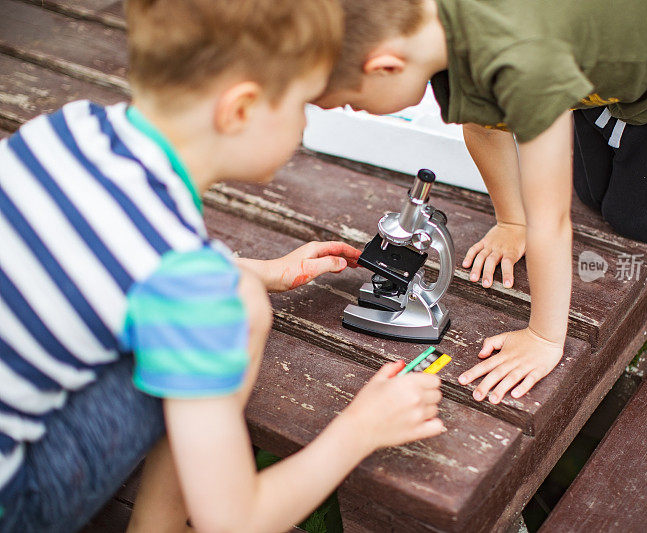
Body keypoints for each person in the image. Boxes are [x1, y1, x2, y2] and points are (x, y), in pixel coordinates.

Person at [0, 1, 443, 531]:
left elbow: (96, 257)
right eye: (302, 104)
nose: (304, 125)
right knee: (241, 309)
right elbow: (236, 521)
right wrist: (361, 428)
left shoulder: (68, 128)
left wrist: (260, 270)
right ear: (240, 110)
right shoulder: (191, 283)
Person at [314, 0, 647, 405]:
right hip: (622, 41)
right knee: (593, 190)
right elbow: (483, 122)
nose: (350, 111)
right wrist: (510, 220)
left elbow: (552, 222)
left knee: (643, 217)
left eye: (350, 102)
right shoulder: (438, 24)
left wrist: (545, 338)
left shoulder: (525, 63)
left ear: (383, 66)